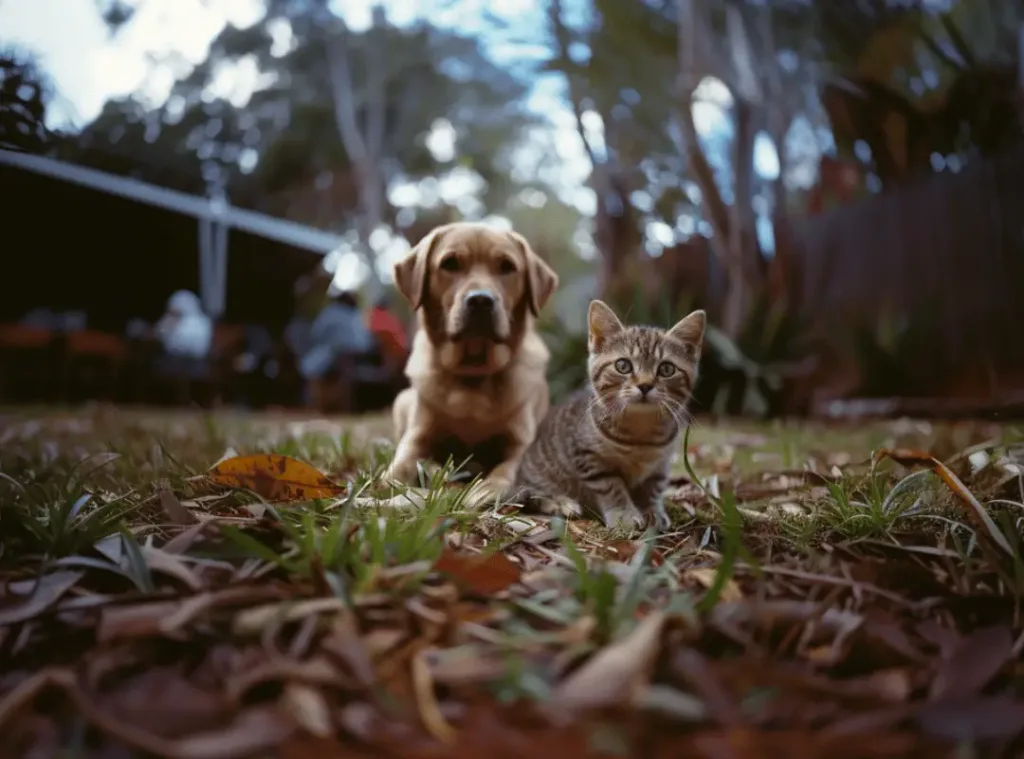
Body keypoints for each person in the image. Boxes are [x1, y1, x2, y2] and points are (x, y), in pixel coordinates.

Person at [298, 289, 376, 411]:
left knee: (310, 367)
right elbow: (367, 342)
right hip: (356, 359)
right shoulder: (358, 316)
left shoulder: (330, 313)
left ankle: (314, 404)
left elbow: (315, 334)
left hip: (334, 356)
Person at [153, 290, 213, 380]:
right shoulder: (204, 321)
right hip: (186, 366)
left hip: (192, 367)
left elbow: (175, 347)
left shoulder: (197, 323)